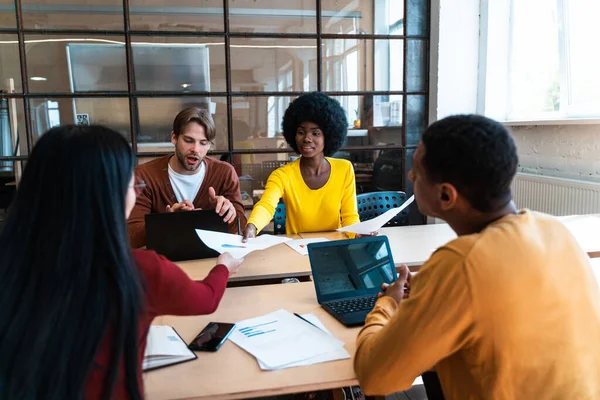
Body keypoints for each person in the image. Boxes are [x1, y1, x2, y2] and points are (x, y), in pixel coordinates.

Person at [354, 115, 600, 399]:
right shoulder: (556, 231)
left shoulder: (459, 263)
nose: (410, 176)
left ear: (446, 196)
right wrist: (430, 289)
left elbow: (374, 377)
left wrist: (387, 304)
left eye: (417, 171)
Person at [0, 125, 244, 399]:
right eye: (131, 183)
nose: (137, 191)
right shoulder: (137, 271)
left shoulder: (13, 264)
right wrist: (223, 265)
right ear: (105, 193)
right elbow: (206, 299)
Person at [242, 92, 360, 240]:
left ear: (328, 136)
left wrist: (357, 233)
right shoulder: (282, 175)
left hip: (334, 247)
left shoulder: (344, 169)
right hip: (298, 249)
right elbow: (266, 206)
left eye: (316, 133)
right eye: (301, 132)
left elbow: (350, 217)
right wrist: (252, 226)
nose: (307, 139)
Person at [128, 107, 246, 248]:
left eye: (203, 143)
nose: (195, 149)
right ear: (174, 137)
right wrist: (168, 221)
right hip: (165, 264)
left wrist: (226, 213)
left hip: (210, 261)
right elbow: (131, 236)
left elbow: (240, 231)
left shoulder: (224, 173)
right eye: (189, 140)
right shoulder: (144, 175)